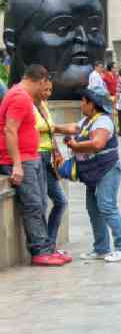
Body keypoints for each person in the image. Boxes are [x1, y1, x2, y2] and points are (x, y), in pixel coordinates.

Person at [59, 87, 121, 262]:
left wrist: (76, 146)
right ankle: (101, 248)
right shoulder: (87, 120)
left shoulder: (103, 122)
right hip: (92, 172)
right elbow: (72, 128)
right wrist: (50, 127)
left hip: (107, 169)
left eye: (83, 102)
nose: (81, 105)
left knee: (107, 206)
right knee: (93, 209)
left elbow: (98, 143)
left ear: (92, 105)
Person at [2, 65, 60, 265]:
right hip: (22, 160)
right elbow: (10, 130)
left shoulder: (25, 97)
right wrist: (17, 165)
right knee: (33, 205)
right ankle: (40, 251)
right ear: (41, 80)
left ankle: (46, 247)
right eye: (46, 84)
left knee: (41, 203)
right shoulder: (19, 97)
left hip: (31, 156)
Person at [32, 77, 68, 258]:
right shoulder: (28, 105)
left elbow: (50, 129)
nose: (47, 93)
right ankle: (45, 247)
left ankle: (50, 244)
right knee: (42, 204)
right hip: (36, 155)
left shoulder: (43, 105)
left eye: (50, 90)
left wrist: (57, 150)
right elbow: (43, 127)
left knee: (61, 201)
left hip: (48, 156)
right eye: (45, 89)